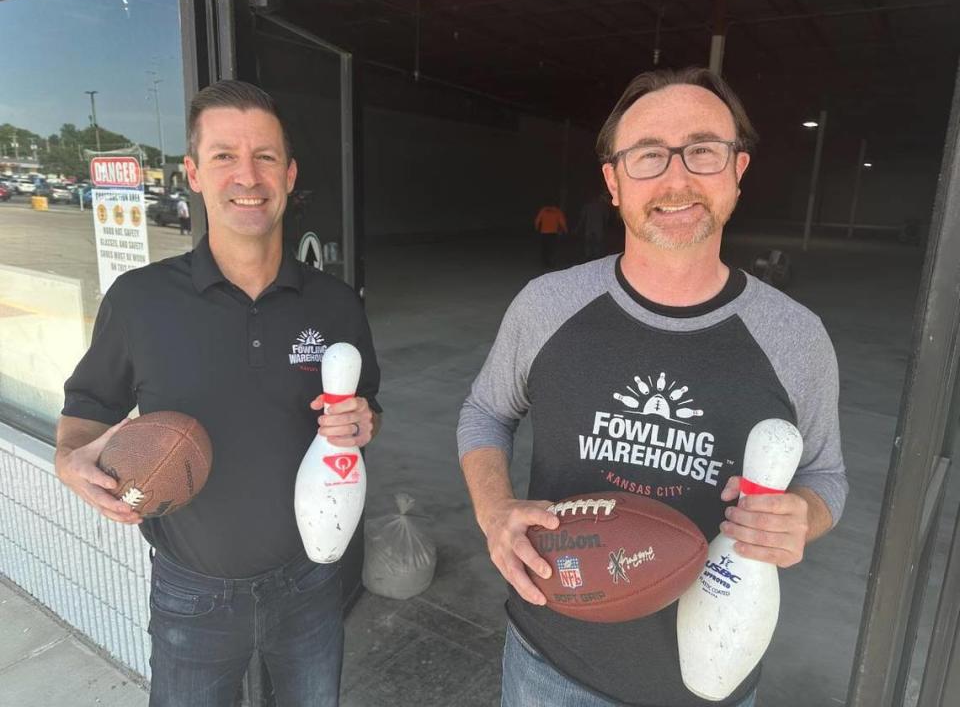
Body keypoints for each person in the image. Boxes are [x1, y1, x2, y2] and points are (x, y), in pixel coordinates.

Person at [457, 67, 846, 707]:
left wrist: (802, 516)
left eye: (702, 150)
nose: (676, 179)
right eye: (648, 156)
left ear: (737, 169)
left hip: (710, 675)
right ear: (613, 182)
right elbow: (485, 412)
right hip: (549, 665)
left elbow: (827, 475)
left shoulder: (794, 338)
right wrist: (493, 510)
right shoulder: (545, 306)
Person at [55, 80, 381, 707]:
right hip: (191, 593)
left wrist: (364, 423)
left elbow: (368, 410)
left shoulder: (335, 304)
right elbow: (85, 413)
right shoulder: (141, 300)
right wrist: (71, 461)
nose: (246, 176)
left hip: (311, 578)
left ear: (288, 174)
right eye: (224, 156)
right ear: (193, 174)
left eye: (264, 156)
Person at [577, 192, 612, 261]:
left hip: (589, 226)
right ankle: (596, 257)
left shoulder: (587, 206)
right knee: (598, 243)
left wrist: (579, 226)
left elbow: (582, 217)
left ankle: (588, 256)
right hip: (598, 227)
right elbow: (607, 217)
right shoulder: (602, 206)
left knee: (588, 243)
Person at [534, 203, 568, 269]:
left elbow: (537, 220)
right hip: (553, 232)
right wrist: (565, 230)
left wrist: (536, 228)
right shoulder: (557, 211)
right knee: (552, 247)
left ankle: (545, 261)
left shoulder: (543, 210)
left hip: (544, 232)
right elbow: (562, 222)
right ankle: (550, 262)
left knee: (545, 247)